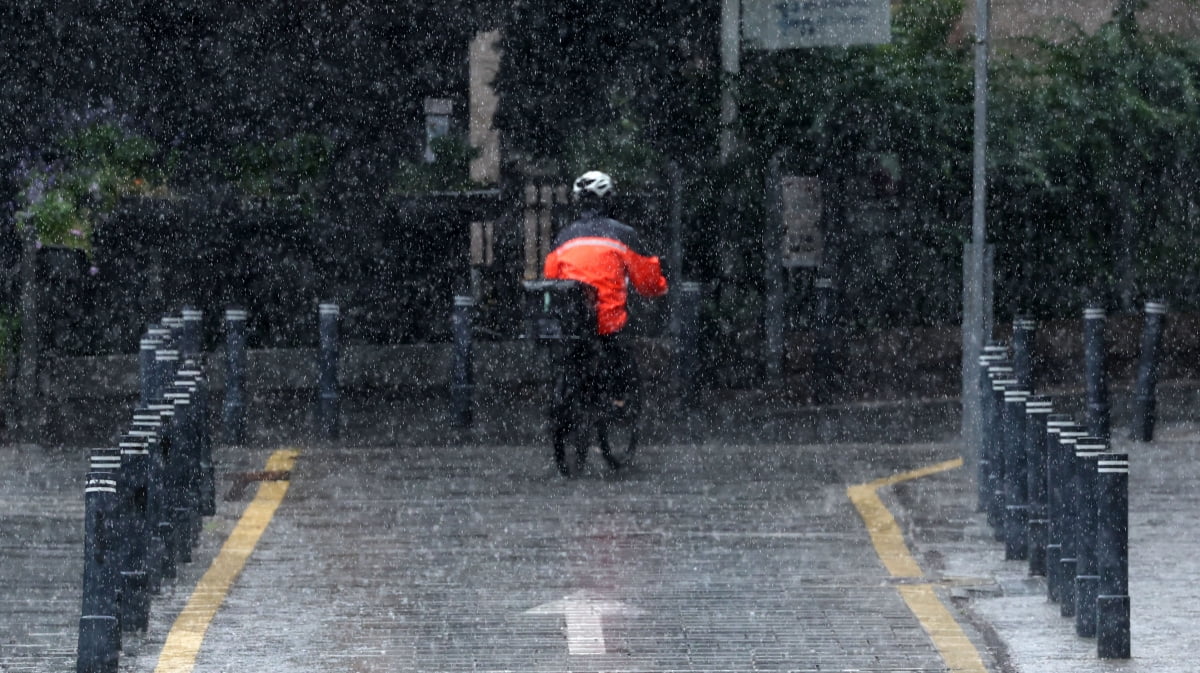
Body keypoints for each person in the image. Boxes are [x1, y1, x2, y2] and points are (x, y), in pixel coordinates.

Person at [542, 170, 668, 471]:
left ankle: (566, 412)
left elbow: (551, 279)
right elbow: (647, 280)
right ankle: (620, 401)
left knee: (573, 360)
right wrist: (660, 287)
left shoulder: (564, 236)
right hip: (606, 320)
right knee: (619, 358)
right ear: (609, 200)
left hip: (571, 324)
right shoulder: (623, 235)